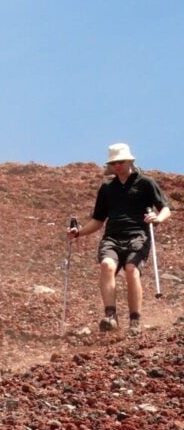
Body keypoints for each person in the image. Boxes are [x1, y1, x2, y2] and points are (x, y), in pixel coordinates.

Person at [66, 142, 171, 335]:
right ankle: (110, 316)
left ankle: (135, 320)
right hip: (112, 237)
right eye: (114, 163)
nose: (117, 166)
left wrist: (158, 218)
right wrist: (79, 232)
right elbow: (98, 220)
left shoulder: (146, 183)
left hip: (138, 236)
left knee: (131, 270)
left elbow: (165, 208)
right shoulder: (107, 189)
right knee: (107, 265)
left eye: (121, 161)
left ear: (129, 161)